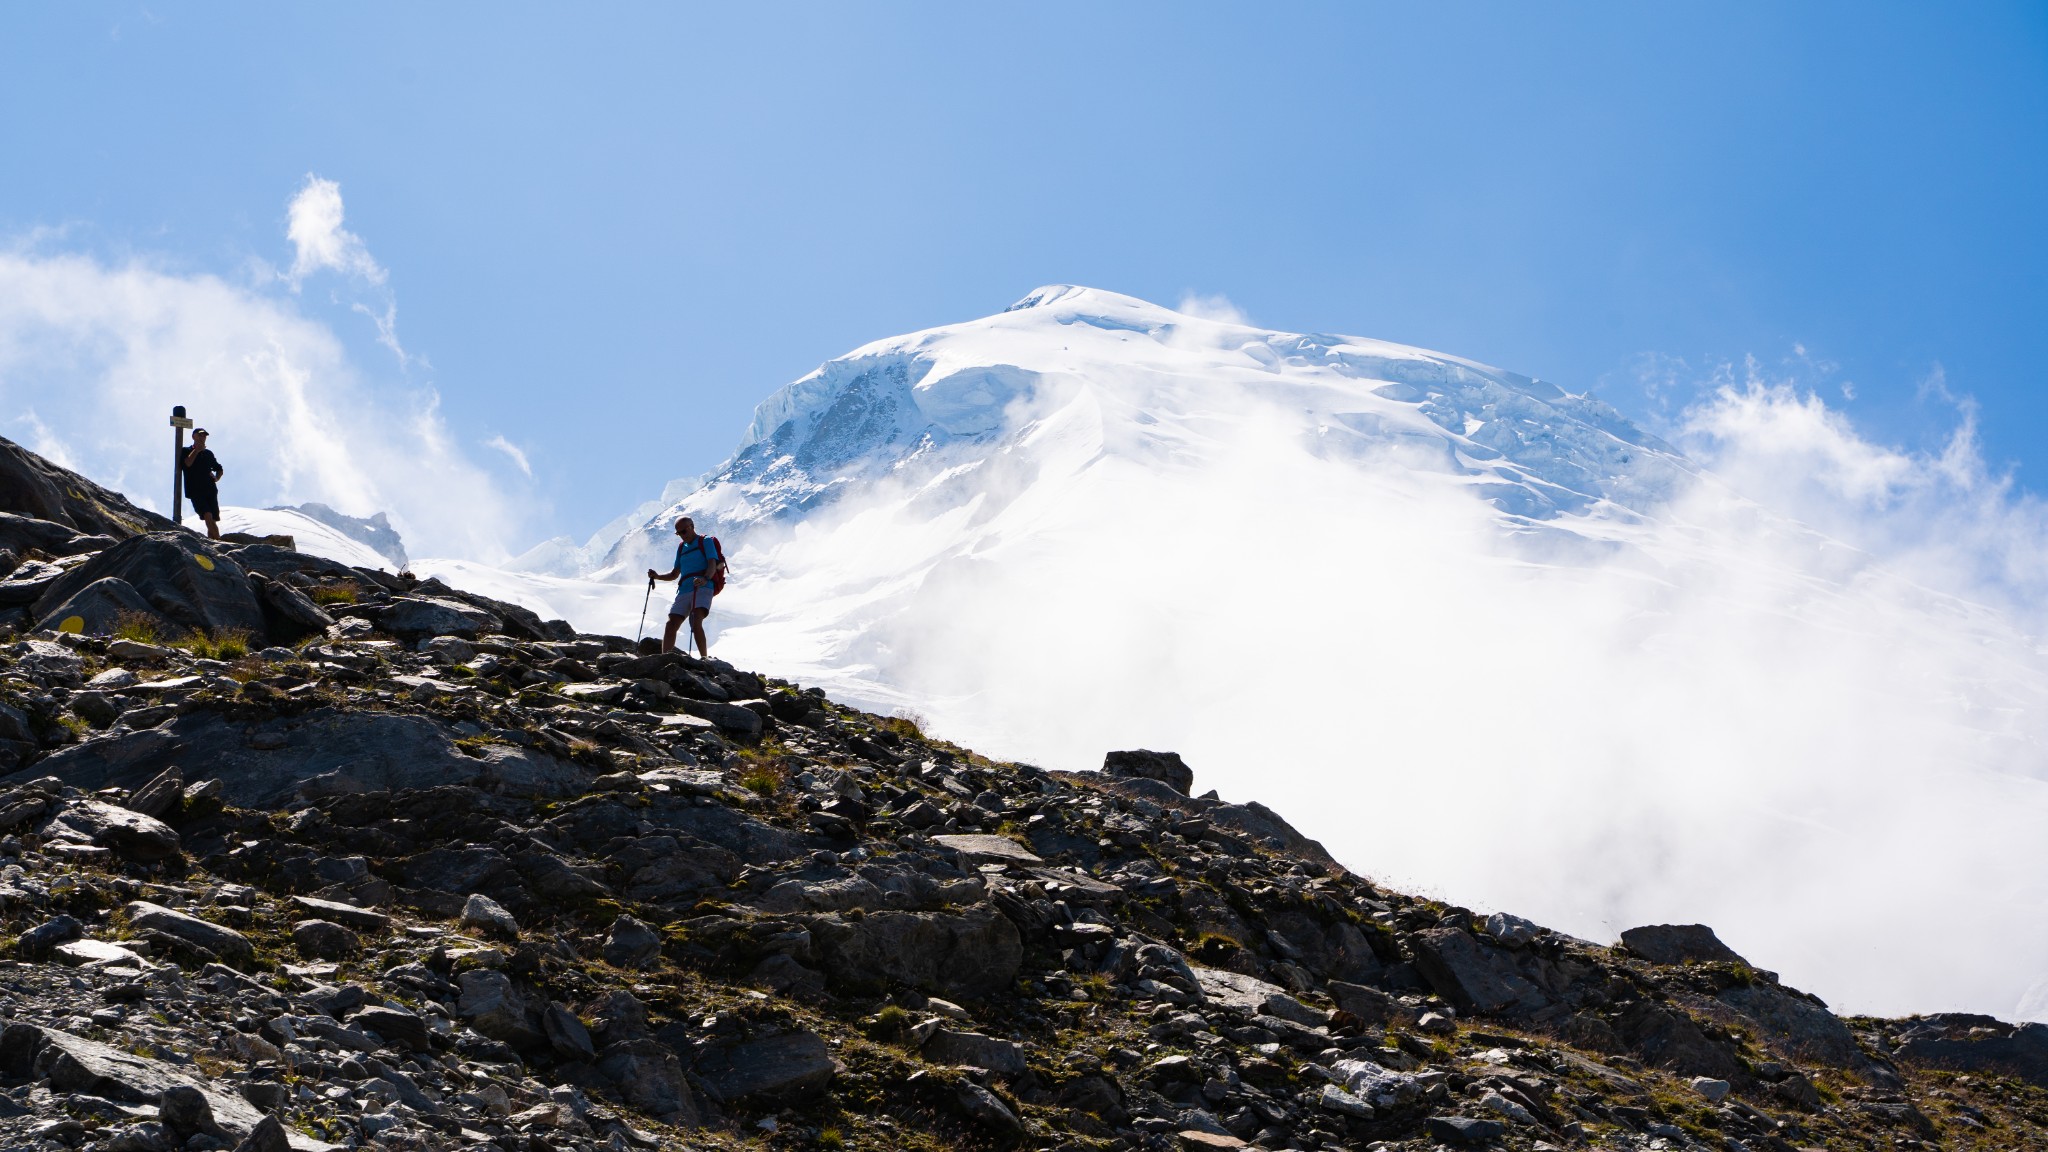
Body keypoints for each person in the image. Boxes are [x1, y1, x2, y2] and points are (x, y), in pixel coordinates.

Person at [647, 516, 724, 658]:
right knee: (671, 624)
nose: (682, 536)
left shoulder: (705, 541)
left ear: (692, 526)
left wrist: (705, 579)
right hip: (684, 589)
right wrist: (657, 576)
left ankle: (704, 659)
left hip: (703, 587)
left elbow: (712, 563)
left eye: (683, 531)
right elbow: (674, 574)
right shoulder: (682, 547)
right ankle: (665, 659)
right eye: (679, 533)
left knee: (695, 620)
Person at [182, 428, 225, 540]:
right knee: (207, 515)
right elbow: (187, 464)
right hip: (195, 489)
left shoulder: (208, 453)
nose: (203, 438)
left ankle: (213, 544)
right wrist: (196, 450)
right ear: (193, 437)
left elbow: (219, 468)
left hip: (210, 489)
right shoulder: (186, 450)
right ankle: (219, 542)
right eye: (200, 435)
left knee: (212, 518)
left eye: (204, 436)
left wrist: (216, 478)